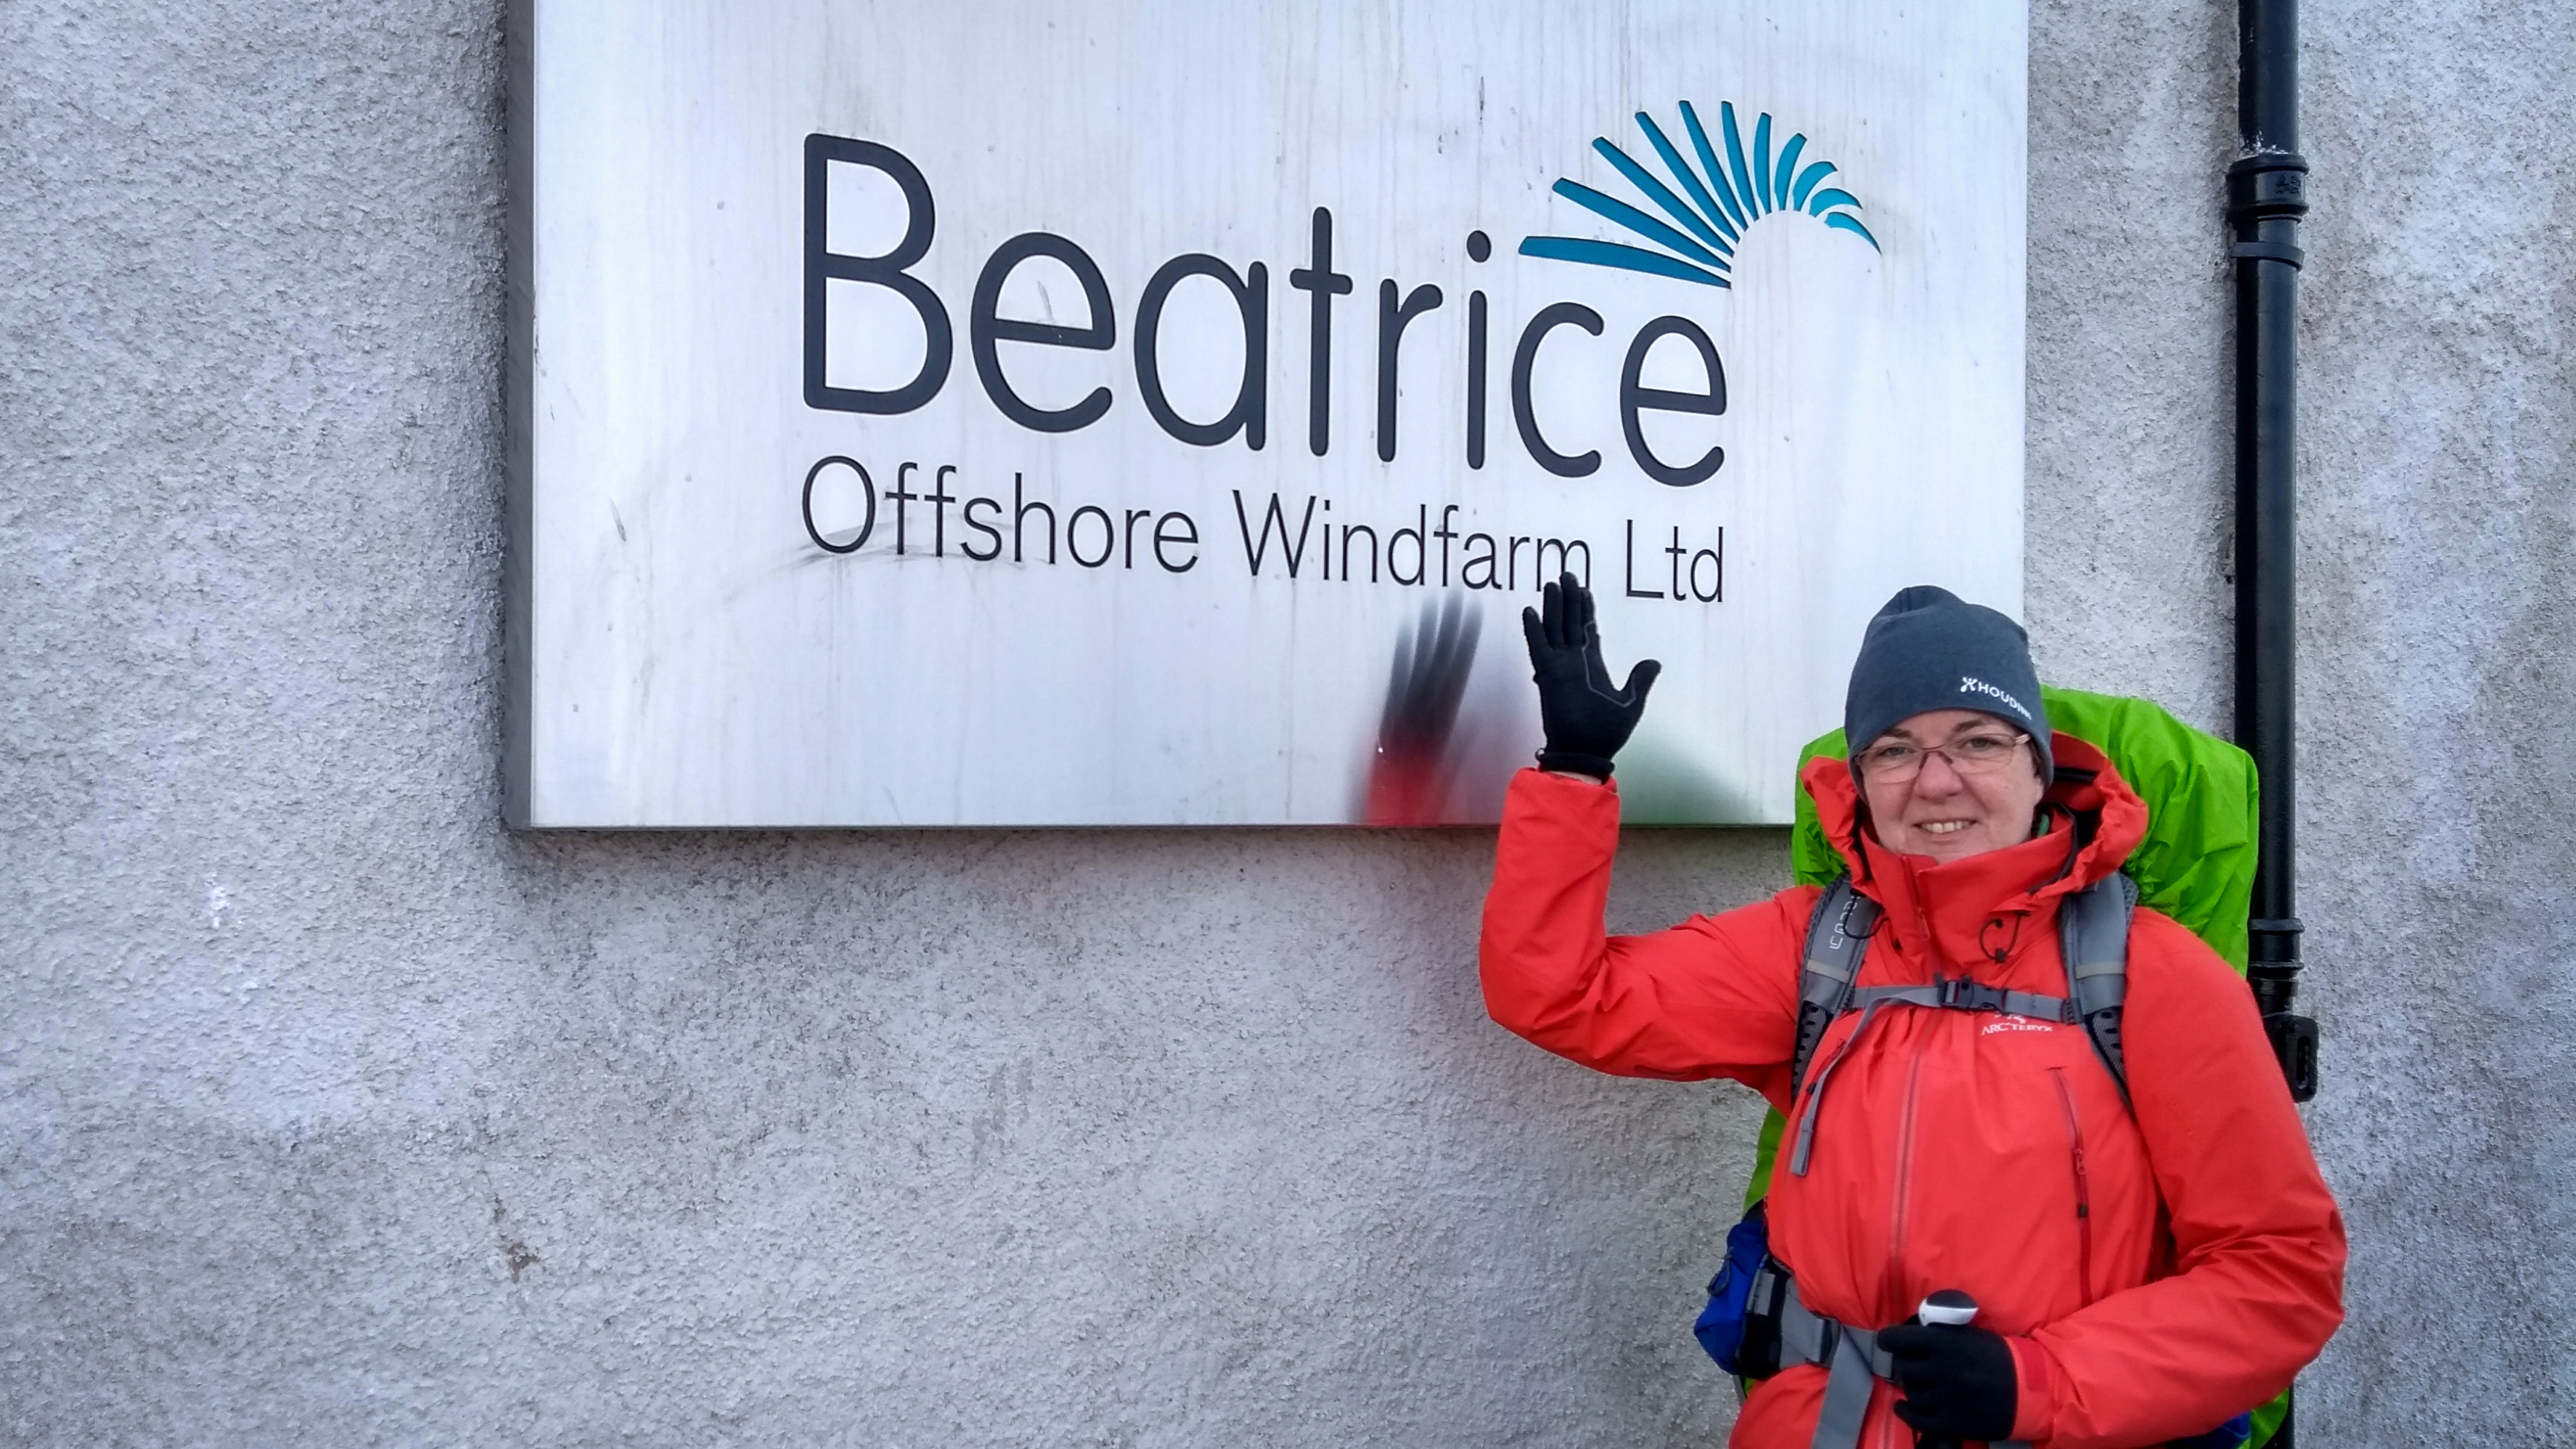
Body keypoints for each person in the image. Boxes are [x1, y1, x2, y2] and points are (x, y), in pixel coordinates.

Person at [1480, 578, 2344, 1449]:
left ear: (2040, 766)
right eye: (1894, 750)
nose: (1935, 782)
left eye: (1978, 741)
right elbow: (1563, 995)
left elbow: (2279, 1274)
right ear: (1860, 780)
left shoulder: (2152, 976)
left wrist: (2042, 1385)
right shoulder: (1816, 951)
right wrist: (1574, 772)